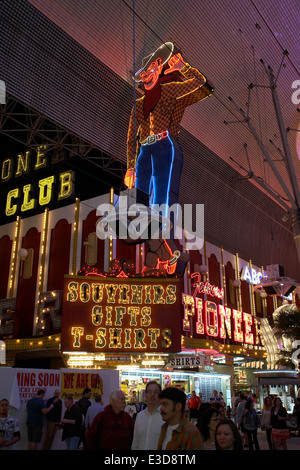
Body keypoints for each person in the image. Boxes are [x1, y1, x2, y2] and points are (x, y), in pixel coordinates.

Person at [124, 42, 214, 273]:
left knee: (162, 202)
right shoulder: (138, 104)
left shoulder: (170, 90)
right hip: (144, 151)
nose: (145, 77)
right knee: (140, 204)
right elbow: (131, 137)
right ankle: (165, 254)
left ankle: (155, 259)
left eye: (148, 71)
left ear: (157, 67)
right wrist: (130, 166)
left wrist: (184, 67)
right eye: (142, 75)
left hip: (165, 146)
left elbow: (199, 84)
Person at [131, 381, 164, 450]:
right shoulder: (140, 416)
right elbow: (135, 443)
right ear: (145, 395)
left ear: (160, 395)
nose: (152, 394)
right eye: (149, 391)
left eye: (155, 392)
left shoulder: (165, 417)